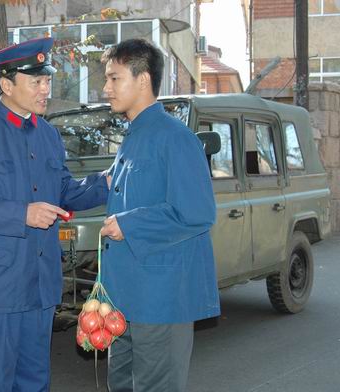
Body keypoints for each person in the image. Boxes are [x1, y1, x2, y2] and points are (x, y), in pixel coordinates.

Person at [0, 37, 109, 392]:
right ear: (6, 84)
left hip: (40, 284)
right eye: (37, 81)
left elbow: (64, 191)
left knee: (34, 382)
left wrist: (107, 182)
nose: (46, 88)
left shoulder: (48, 135)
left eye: (47, 80)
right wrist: (22, 214)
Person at [99, 38, 220, 392]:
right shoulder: (133, 136)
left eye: (114, 78)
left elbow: (196, 213)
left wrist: (128, 224)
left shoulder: (175, 138)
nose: (105, 88)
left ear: (143, 80)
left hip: (161, 298)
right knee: (120, 383)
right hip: (124, 295)